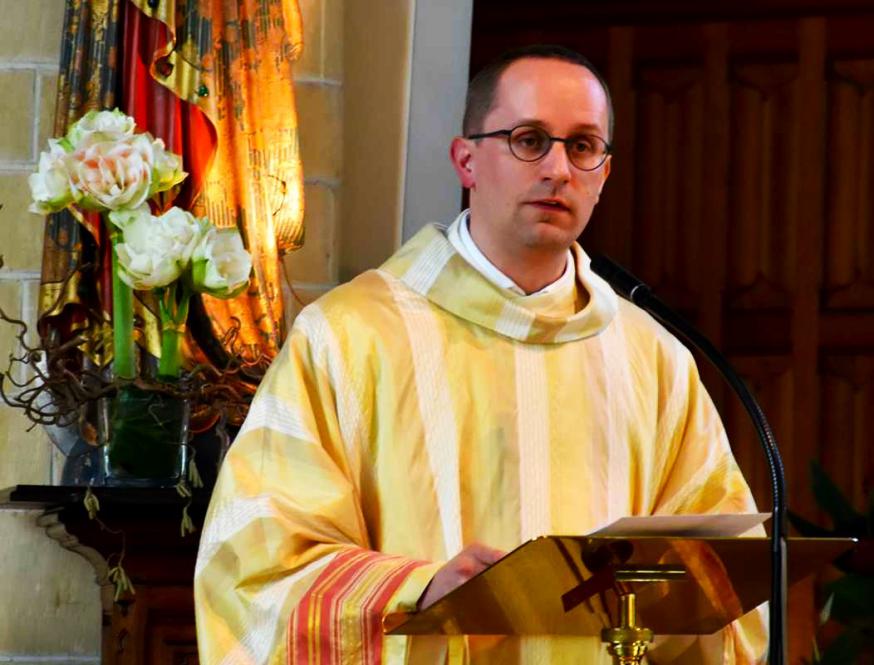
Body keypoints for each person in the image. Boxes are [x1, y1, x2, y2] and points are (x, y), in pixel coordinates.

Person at [194, 44, 767, 664]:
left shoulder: (653, 359)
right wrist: (422, 590)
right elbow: (255, 565)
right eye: (529, 139)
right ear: (466, 159)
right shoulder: (349, 337)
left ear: (605, 173)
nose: (557, 169)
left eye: (582, 146)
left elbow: (725, 589)